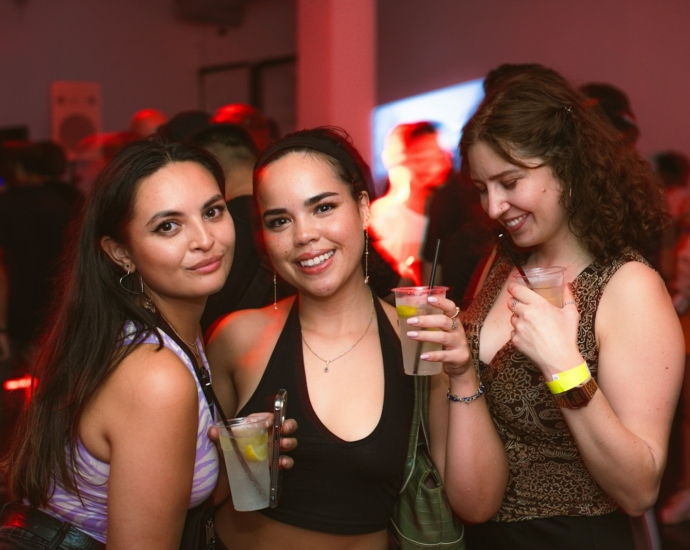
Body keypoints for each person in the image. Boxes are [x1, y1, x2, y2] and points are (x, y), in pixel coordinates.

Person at [0, 138, 296, 549]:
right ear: (121, 253)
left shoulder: (155, 334)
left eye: (212, 211)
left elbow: (162, 496)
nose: (204, 239)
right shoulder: (156, 375)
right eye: (168, 226)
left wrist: (239, 464)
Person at [443, 67, 685, 549]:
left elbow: (639, 488)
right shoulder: (501, 260)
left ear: (567, 165)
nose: (494, 207)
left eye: (510, 182)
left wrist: (564, 366)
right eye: (482, 188)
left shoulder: (628, 287)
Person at [205, 127, 469, 549]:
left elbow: (475, 505)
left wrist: (464, 377)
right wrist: (229, 459)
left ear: (363, 208)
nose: (304, 235)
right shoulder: (235, 337)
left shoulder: (418, 341)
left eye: (323, 207)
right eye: (279, 220)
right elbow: (197, 497)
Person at [370, 122, 452, 285]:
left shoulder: (446, 215)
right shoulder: (381, 216)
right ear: (399, 159)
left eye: (437, 154)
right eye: (421, 157)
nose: (434, 166)